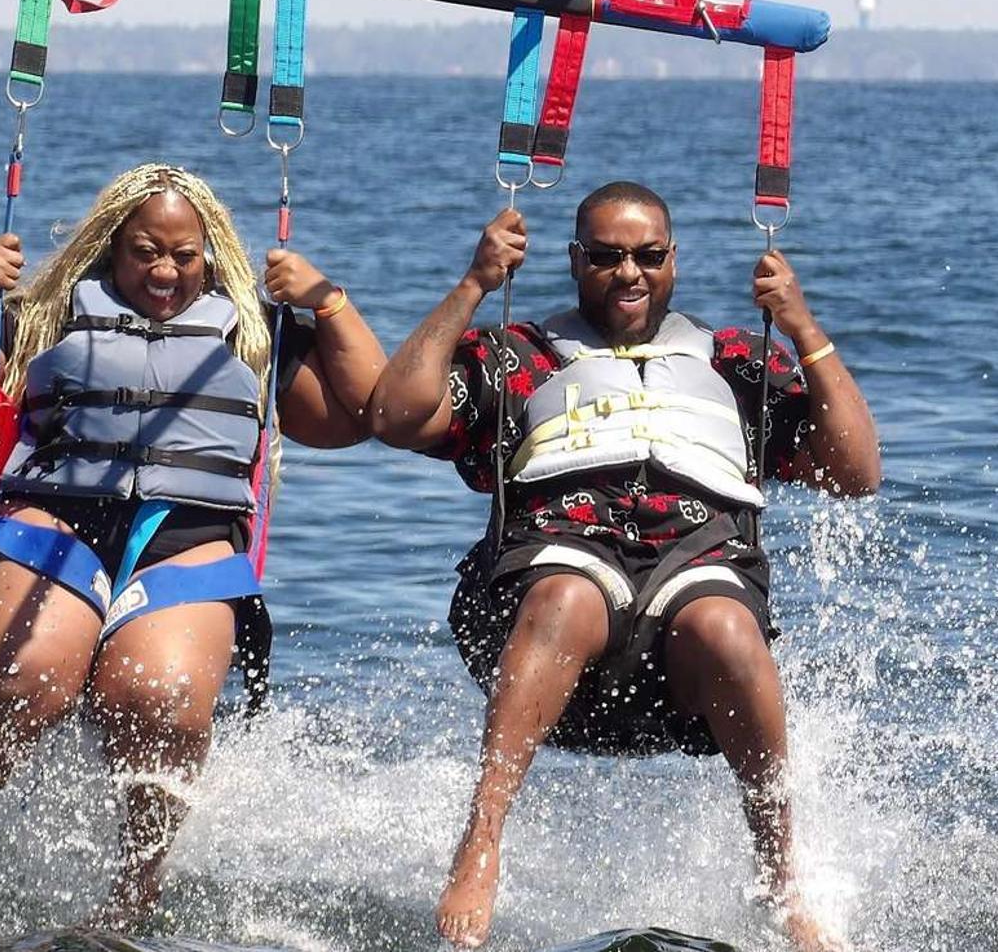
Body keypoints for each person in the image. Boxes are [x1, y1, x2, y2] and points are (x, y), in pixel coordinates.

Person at [0, 163, 385, 942]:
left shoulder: (254, 333)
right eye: (146, 251)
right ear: (113, 246)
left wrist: (328, 302)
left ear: (209, 255)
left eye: (183, 254)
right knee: (21, 675)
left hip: (186, 538)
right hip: (57, 521)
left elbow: (369, 410)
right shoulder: (46, 318)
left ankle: (130, 897)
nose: (164, 271)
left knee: (163, 697)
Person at [369, 181, 880, 951]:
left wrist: (803, 326)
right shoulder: (521, 354)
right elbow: (394, 415)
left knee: (726, 627)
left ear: (674, 259)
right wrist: (474, 284)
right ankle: (481, 839)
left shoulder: (736, 360)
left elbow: (857, 472)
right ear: (576, 260)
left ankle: (781, 875)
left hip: (695, 576)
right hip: (555, 573)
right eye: (607, 257)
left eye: (648, 255)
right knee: (569, 596)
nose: (629, 272)